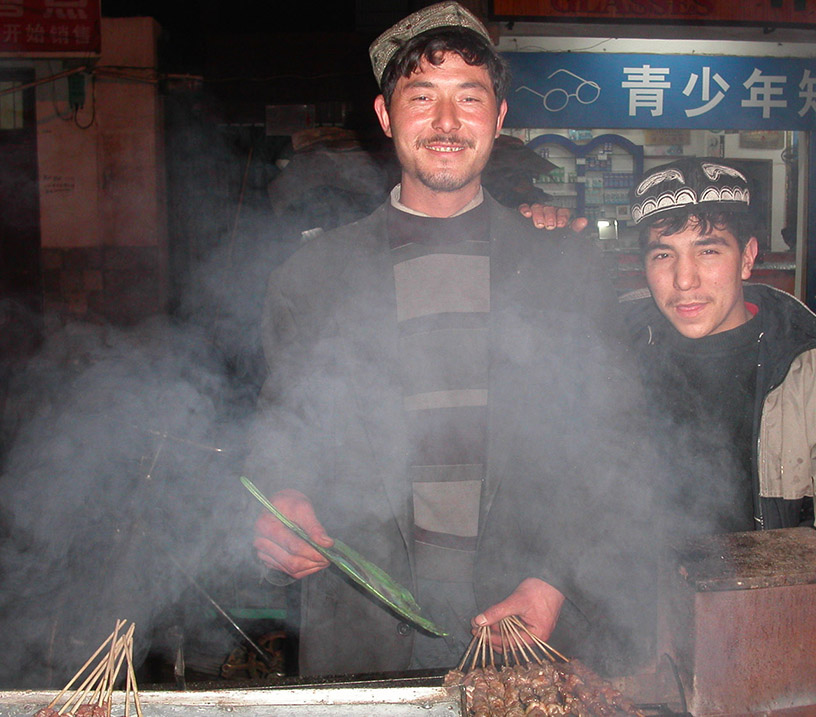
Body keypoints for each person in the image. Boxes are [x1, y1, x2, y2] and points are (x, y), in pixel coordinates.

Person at [245, 1, 634, 676]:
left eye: (469, 98)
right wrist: (281, 498)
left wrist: (554, 577)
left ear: (500, 119)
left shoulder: (563, 271)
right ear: (386, 115)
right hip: (361, 629)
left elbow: (606, 449)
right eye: (422, 97)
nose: (448, 123)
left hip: (520, 625)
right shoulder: (310, 278)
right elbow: (281, 429)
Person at [624, 157, 816, 707]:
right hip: (639, 663)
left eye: (709, 250)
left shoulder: (814, 375)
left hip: (772, 657)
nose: (683, 279)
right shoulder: (613, 360)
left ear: (749, 258)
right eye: (662, 254)